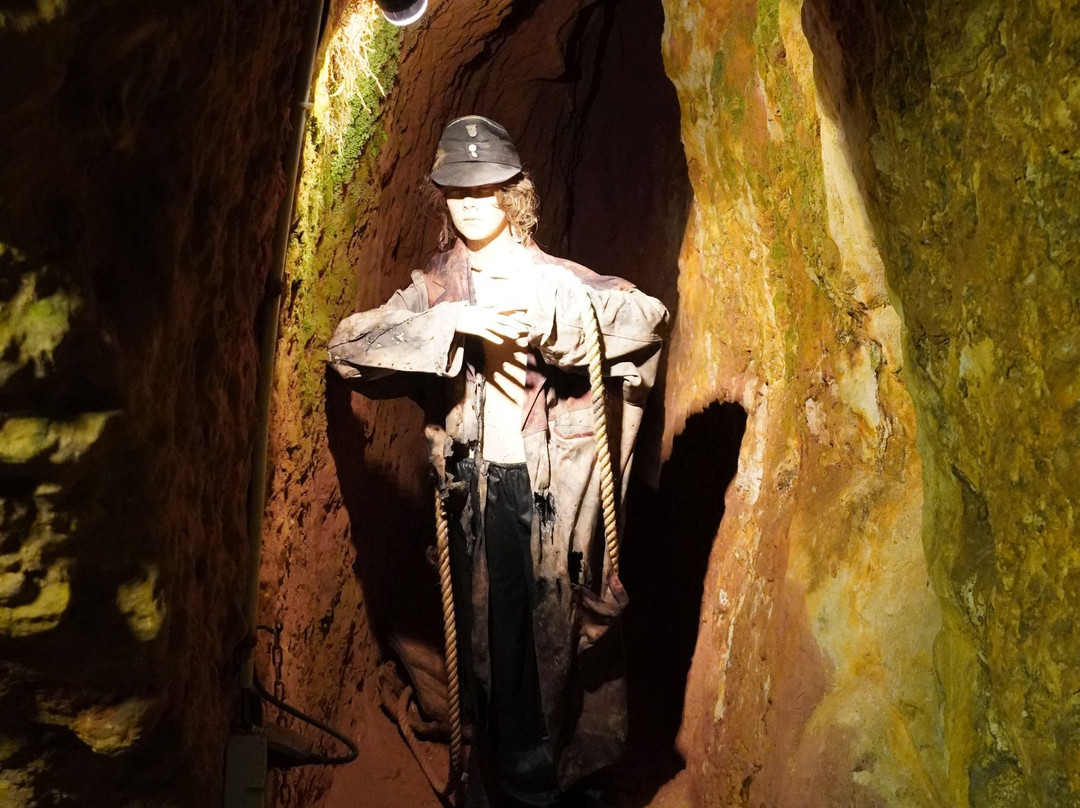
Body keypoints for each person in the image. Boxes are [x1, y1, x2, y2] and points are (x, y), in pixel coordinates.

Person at [328, 115, 667, 807]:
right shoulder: (437, 290)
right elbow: (348, 349)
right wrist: (451, 325)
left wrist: (551, 321)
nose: (472, 203)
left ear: (514, 193)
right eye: (458, 191)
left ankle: (555, 776)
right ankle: (511, 779)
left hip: (552, 498)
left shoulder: (558, 280)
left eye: (486, 189)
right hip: (475, 494)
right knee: (493, 644)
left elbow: (646, 319)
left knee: (557, 640)